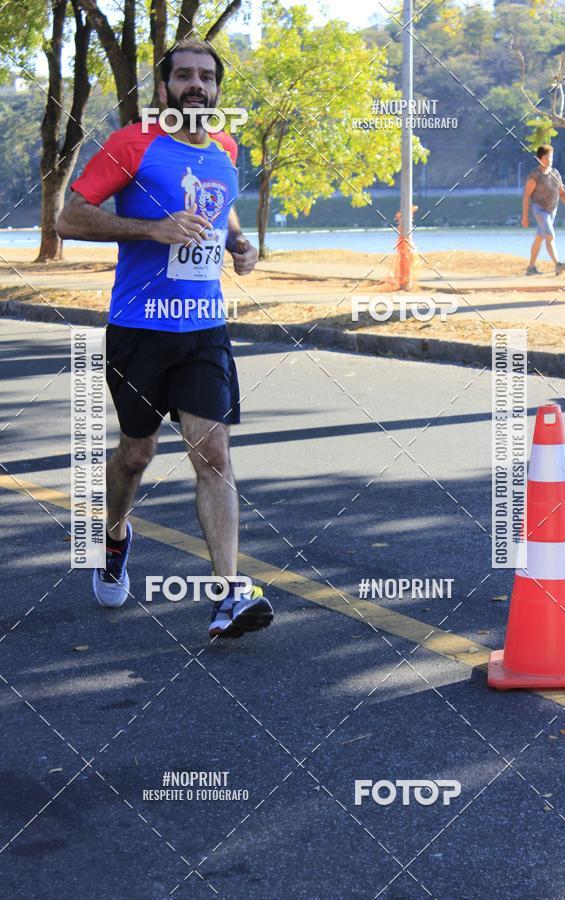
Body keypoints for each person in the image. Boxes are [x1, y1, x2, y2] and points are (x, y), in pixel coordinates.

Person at [57, 40, 274, 640]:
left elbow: (220, 208)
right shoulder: (133, 144)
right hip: (139, 331)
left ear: (218, 90)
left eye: (206, 77)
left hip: (203, 330)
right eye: (184, 76)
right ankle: (116, 533)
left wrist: (237, 244)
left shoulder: (227, 150)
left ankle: (228, 594)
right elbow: (69, 218)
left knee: (215, 456)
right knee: (137, 455)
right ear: (164, 88)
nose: (196, 85)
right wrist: (151, 229)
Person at [521, 144, 565, 276]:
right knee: (550, 235)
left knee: (540, 238)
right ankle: (558, 264)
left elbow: (561, 192)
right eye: (546, 157)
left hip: (552, 210)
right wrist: (525, 216)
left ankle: (531, 268)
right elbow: (526, 196)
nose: (549, 159)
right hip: (539, 209)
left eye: (551, 156)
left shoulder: (555, 173)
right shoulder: (535, 176)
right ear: (539, 159)